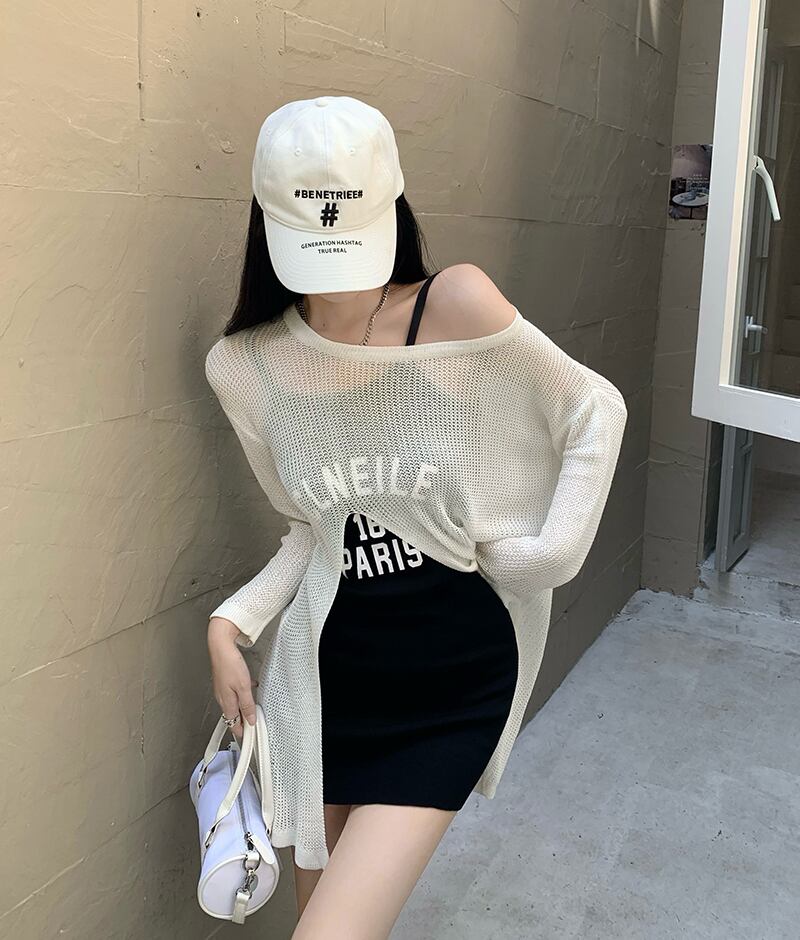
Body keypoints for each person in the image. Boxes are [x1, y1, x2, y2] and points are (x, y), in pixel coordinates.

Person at [205, 95, 628, 939]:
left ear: (391, 205)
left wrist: (546, 556)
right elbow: (312, 531)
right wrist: (231, 623)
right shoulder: (245, 367)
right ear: (267, 222)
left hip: (453, 679)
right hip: (327, 684)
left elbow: (594, 409)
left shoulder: (454, 305)